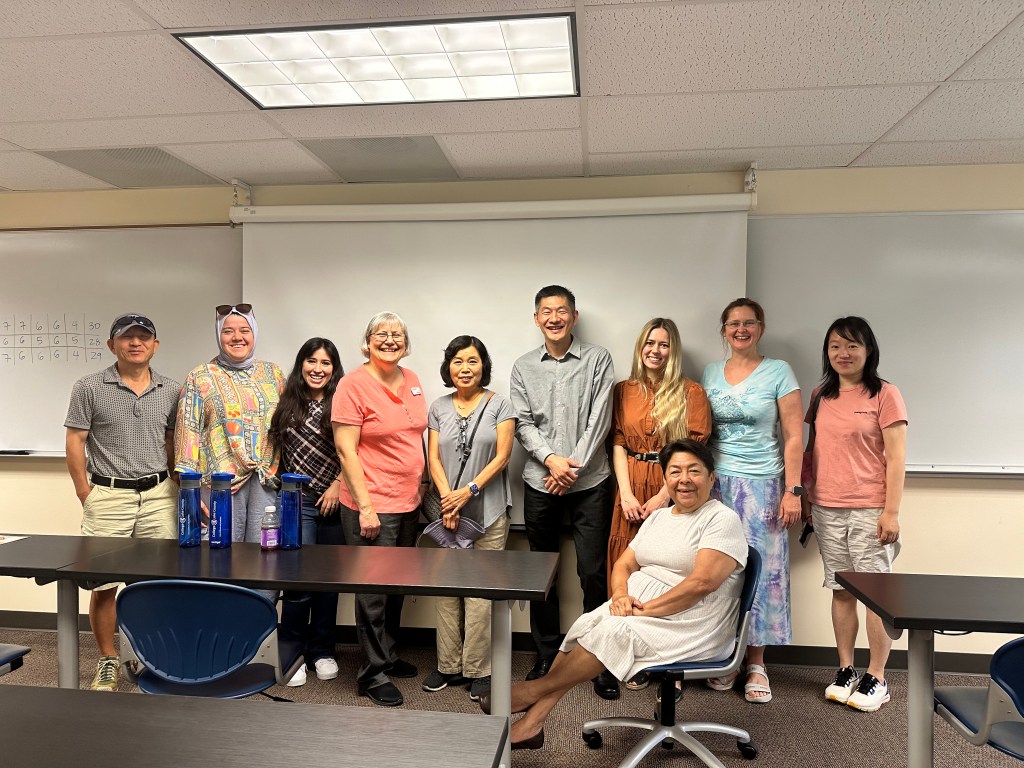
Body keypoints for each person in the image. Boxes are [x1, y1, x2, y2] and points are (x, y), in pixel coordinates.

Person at [479, 439, 747, 750]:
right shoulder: (660, 516)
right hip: (641, 609)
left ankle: (531, 691)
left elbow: (702, 583)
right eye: (675, 471)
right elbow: (624, 563)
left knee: (611, 631)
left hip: (694, 621)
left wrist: (643, 610)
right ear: (665, 478)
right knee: (587, 623)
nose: (683, 479)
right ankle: (532, 723)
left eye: (694, 471)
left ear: (712, 478)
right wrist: (620, 596)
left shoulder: (721, 519)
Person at [510, 285, 619, 699]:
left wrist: (569, 466)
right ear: (536, 319)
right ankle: (546, 652)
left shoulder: (597, 359)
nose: (554, 318)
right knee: (542, 573)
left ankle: (598, 658)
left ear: (574, 316)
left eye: (561, 311)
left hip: (590, 481)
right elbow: (522, 424)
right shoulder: (523, 367)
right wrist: (552, 460)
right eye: (545, 312)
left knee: (592, 571)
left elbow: (600, 420)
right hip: (542, 481)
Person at [64, 312, 180, 692]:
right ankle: (109, 660)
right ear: (112, 345)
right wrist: (86, 492)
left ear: (155, 345)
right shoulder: (89, 387)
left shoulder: (171, 389)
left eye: (143, 337)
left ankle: (151, 656)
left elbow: (171, 445)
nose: (135, 343)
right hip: (108, 494)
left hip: (159, 495)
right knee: (105, 585)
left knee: (156, 583)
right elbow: (76, 441)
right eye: (127, 337)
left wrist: (184, 490)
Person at [701, 298, 802, 704]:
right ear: (723, 330)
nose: (741, 329)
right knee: (719, 568)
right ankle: (726, 653)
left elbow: (795, 436)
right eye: (733, 324)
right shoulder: (710, 372)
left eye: (749, 323)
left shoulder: (779, 371)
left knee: (764, 570)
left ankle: (756, 662)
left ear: (761, 328)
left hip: (763, 485)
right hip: (715, 486)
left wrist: (793, 490)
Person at [805, 317, 907, 713]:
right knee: (841, 589)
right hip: (828, 507)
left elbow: (897, 458)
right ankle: (846, 669)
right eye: (835, 346)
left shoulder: (885, 393)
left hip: (870, 508)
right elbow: (813, 452)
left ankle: (877, 676)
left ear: (868, 350)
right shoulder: (821, 394)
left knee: (875, 597)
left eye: (852, 346)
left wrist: (891, 512)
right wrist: (809, 497)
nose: (843, 354)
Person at [607, 318, 711, 690]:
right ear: (640, 346)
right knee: (628, 565)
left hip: (674, 485)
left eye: (664, 345)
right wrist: (627, 493)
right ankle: (630, 655)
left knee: (669, 566)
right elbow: (617, 442)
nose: (655, 350)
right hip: (630, 484)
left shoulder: (691, 392)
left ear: (674, 350)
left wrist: (663, 495)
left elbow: (693, 447)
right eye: (650, 343)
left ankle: (670, 659)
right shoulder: (623, 390)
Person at [332, 311, 427, 707]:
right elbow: (345, 449)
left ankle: (386, 655)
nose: (390, 339)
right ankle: (371, 674)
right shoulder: (352, 385)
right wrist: (366, 508)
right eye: (381, 334)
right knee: (372, 592)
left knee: (396, 587)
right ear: (367, 342)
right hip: (372, 506)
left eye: (397, 334)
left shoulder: (414, 380)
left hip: (408, 503)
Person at [421, 335, 516, 701]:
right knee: (447, 592)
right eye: (458, 361)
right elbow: (434, 459)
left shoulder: (500, 405)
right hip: (445, 513)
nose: (465, 368)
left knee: (479, 594)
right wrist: (448, 499)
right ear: (448, 367)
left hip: (488, 513)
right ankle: (448, 665)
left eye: (472, 361)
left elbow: (502, 457)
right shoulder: (438, 407)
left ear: (483, 366)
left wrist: (468, 492)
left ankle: (479, 669)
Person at [269, 338, 346, 687]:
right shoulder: (286, 403)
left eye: (326, 363)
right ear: (301, 364)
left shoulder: (343, 402)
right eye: (311, 361)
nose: (318, 368)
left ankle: (322, 650)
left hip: (336, 502)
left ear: (334, 368)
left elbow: (359, 451)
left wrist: (339, 483)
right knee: (298, 582)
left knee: (328, 583)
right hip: (297, 503)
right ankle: (292, 651)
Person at [175, 304, 284, 544]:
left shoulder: (274, 374)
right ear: (218, 336)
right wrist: (190, 492)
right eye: (228, 331)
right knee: (220, 555)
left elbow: (286, 425)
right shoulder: (200, 376)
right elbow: (188, 432)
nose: (237, 337)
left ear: (254, 334)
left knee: (263, 557)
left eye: (244, 330)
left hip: (264, 482)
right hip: (219, 485)